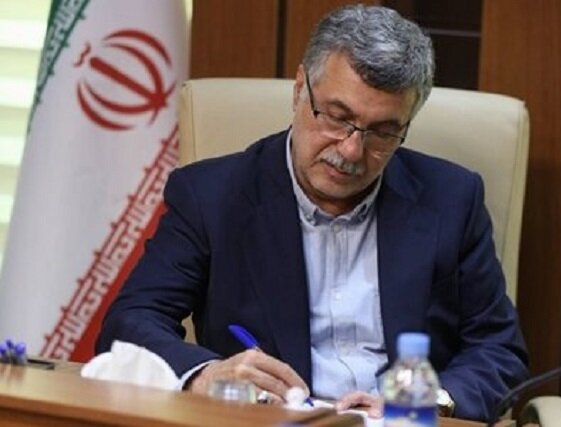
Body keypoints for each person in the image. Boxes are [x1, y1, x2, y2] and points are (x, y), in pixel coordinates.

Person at [96, 4, 528, 421]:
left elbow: (497, 347)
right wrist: (205, 375)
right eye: (337, 118)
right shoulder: (212, 195)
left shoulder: (451, 198)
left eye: (382, 132)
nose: (352, 150)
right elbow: (131, 321)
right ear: (300, 89)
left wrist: (432, 400)